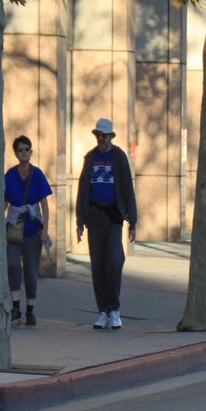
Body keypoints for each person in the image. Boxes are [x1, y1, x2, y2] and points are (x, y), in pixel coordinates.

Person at [75, 118, 137, 329]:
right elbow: (83, 190)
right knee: (98, 265)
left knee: (113, 262)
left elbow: (127, 189)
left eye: (104, 136)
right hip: (95, 216)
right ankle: (103, 311)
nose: (101, 139)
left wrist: (133, 221)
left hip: (113, 216)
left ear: (111, 136)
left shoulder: (119, 157)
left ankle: (114, 309)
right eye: (98, 136)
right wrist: (80, 221)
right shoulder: (90, 158)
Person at [4, 135, 53, 326]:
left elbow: (44, 205)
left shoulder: (37, 174)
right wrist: (0, 224)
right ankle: (15, 308)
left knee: (31, 270)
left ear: (31, 152)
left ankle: (30, 310)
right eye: (20, 150)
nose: (23, 152)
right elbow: (4, 202)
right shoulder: (10, 175)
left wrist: (45, 229)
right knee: (12, 265)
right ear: (15, 153)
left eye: (26, 149)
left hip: (33, 229)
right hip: (14, 229)